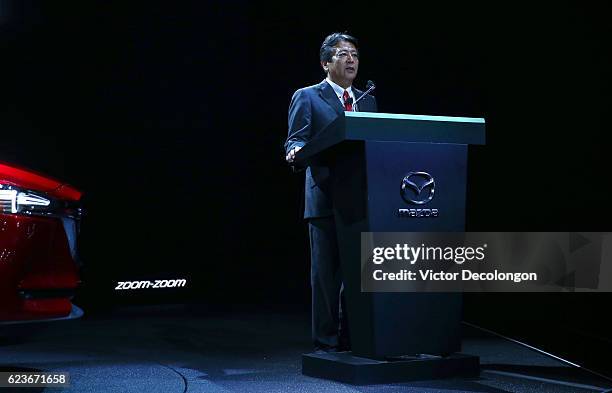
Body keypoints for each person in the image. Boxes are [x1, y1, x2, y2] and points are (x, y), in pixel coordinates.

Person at [284, 32, 377, 352]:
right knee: (326, 276)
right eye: (343, 54)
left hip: (360, 198)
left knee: (358, 273)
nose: (351, 59)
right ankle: (326, 341)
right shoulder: (308, 96)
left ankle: (356, 337)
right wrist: (295, 151)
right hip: (324, 196)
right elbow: (295, 140)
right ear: (326, 63)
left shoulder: (367, 99)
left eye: (355, 53)